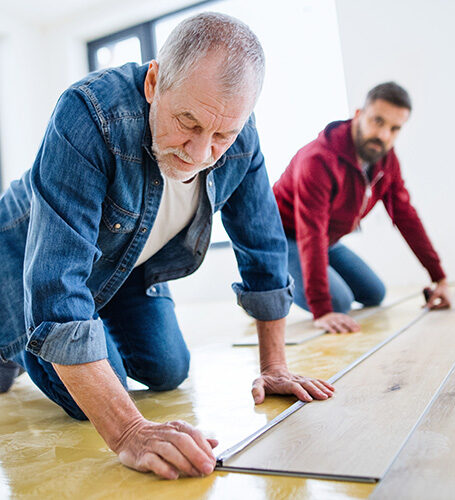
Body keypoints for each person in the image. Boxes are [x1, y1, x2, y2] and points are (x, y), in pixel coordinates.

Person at [0, 13, 334, 479]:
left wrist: (274, 364)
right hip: (22, 258)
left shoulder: (241, 133)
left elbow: (264, 247)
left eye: (221, 136)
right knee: (84, 392)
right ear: (155, 81)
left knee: (169, 369)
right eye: (187, 122)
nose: (200, 154)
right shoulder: (88, 112)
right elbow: (57, 291)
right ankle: (11, 344)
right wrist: (128, 432)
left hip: (125, 267)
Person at [273, 82, 451, 334]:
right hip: (283, 238)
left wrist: (439, 277)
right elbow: (310, 232)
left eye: (394, 128)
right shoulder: (317, 160)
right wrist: (323, 310)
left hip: (326, 239)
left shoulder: (385, 160)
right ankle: (261, 286)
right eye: (378, 121)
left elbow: (406, 217)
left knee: (374, 293)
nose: (384, 135)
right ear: (359, 115)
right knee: (338, 302)